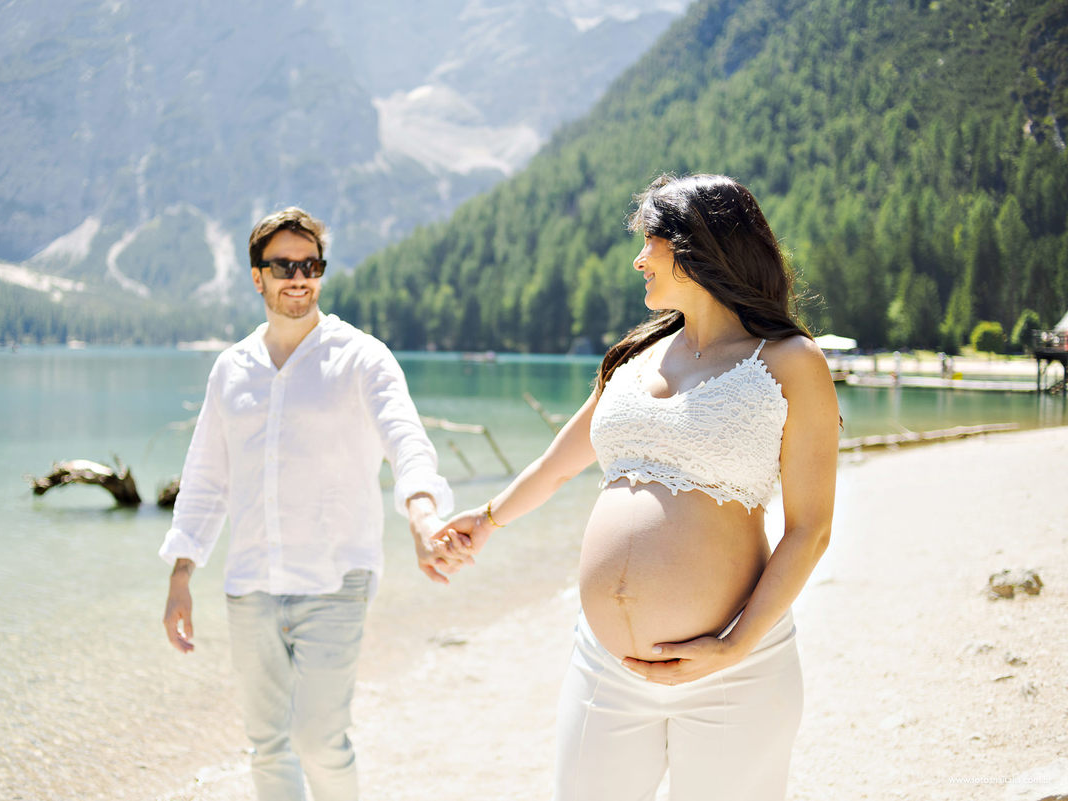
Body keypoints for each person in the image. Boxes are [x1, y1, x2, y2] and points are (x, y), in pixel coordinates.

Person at [443, 174, 840, 800]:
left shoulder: (790, 361)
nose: (637, 260)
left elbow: (809, 529)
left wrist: (734, 647)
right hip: (604, 667)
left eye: (647, 242)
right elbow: (555, 466)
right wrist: (487, 520)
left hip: (735, 673)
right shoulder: (633, 357)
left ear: (692, 247)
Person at [158, 207, 466, 801]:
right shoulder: (231, 369)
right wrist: (181, 571)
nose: (298, 278)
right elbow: (205, 480)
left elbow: (405, 440)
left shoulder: (362, 357)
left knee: (320, 740)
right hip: (249, 585)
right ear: (257, 276)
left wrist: (424, 515)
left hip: (334, 580)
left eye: (311, 265)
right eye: (283, 266)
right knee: (266, 743)